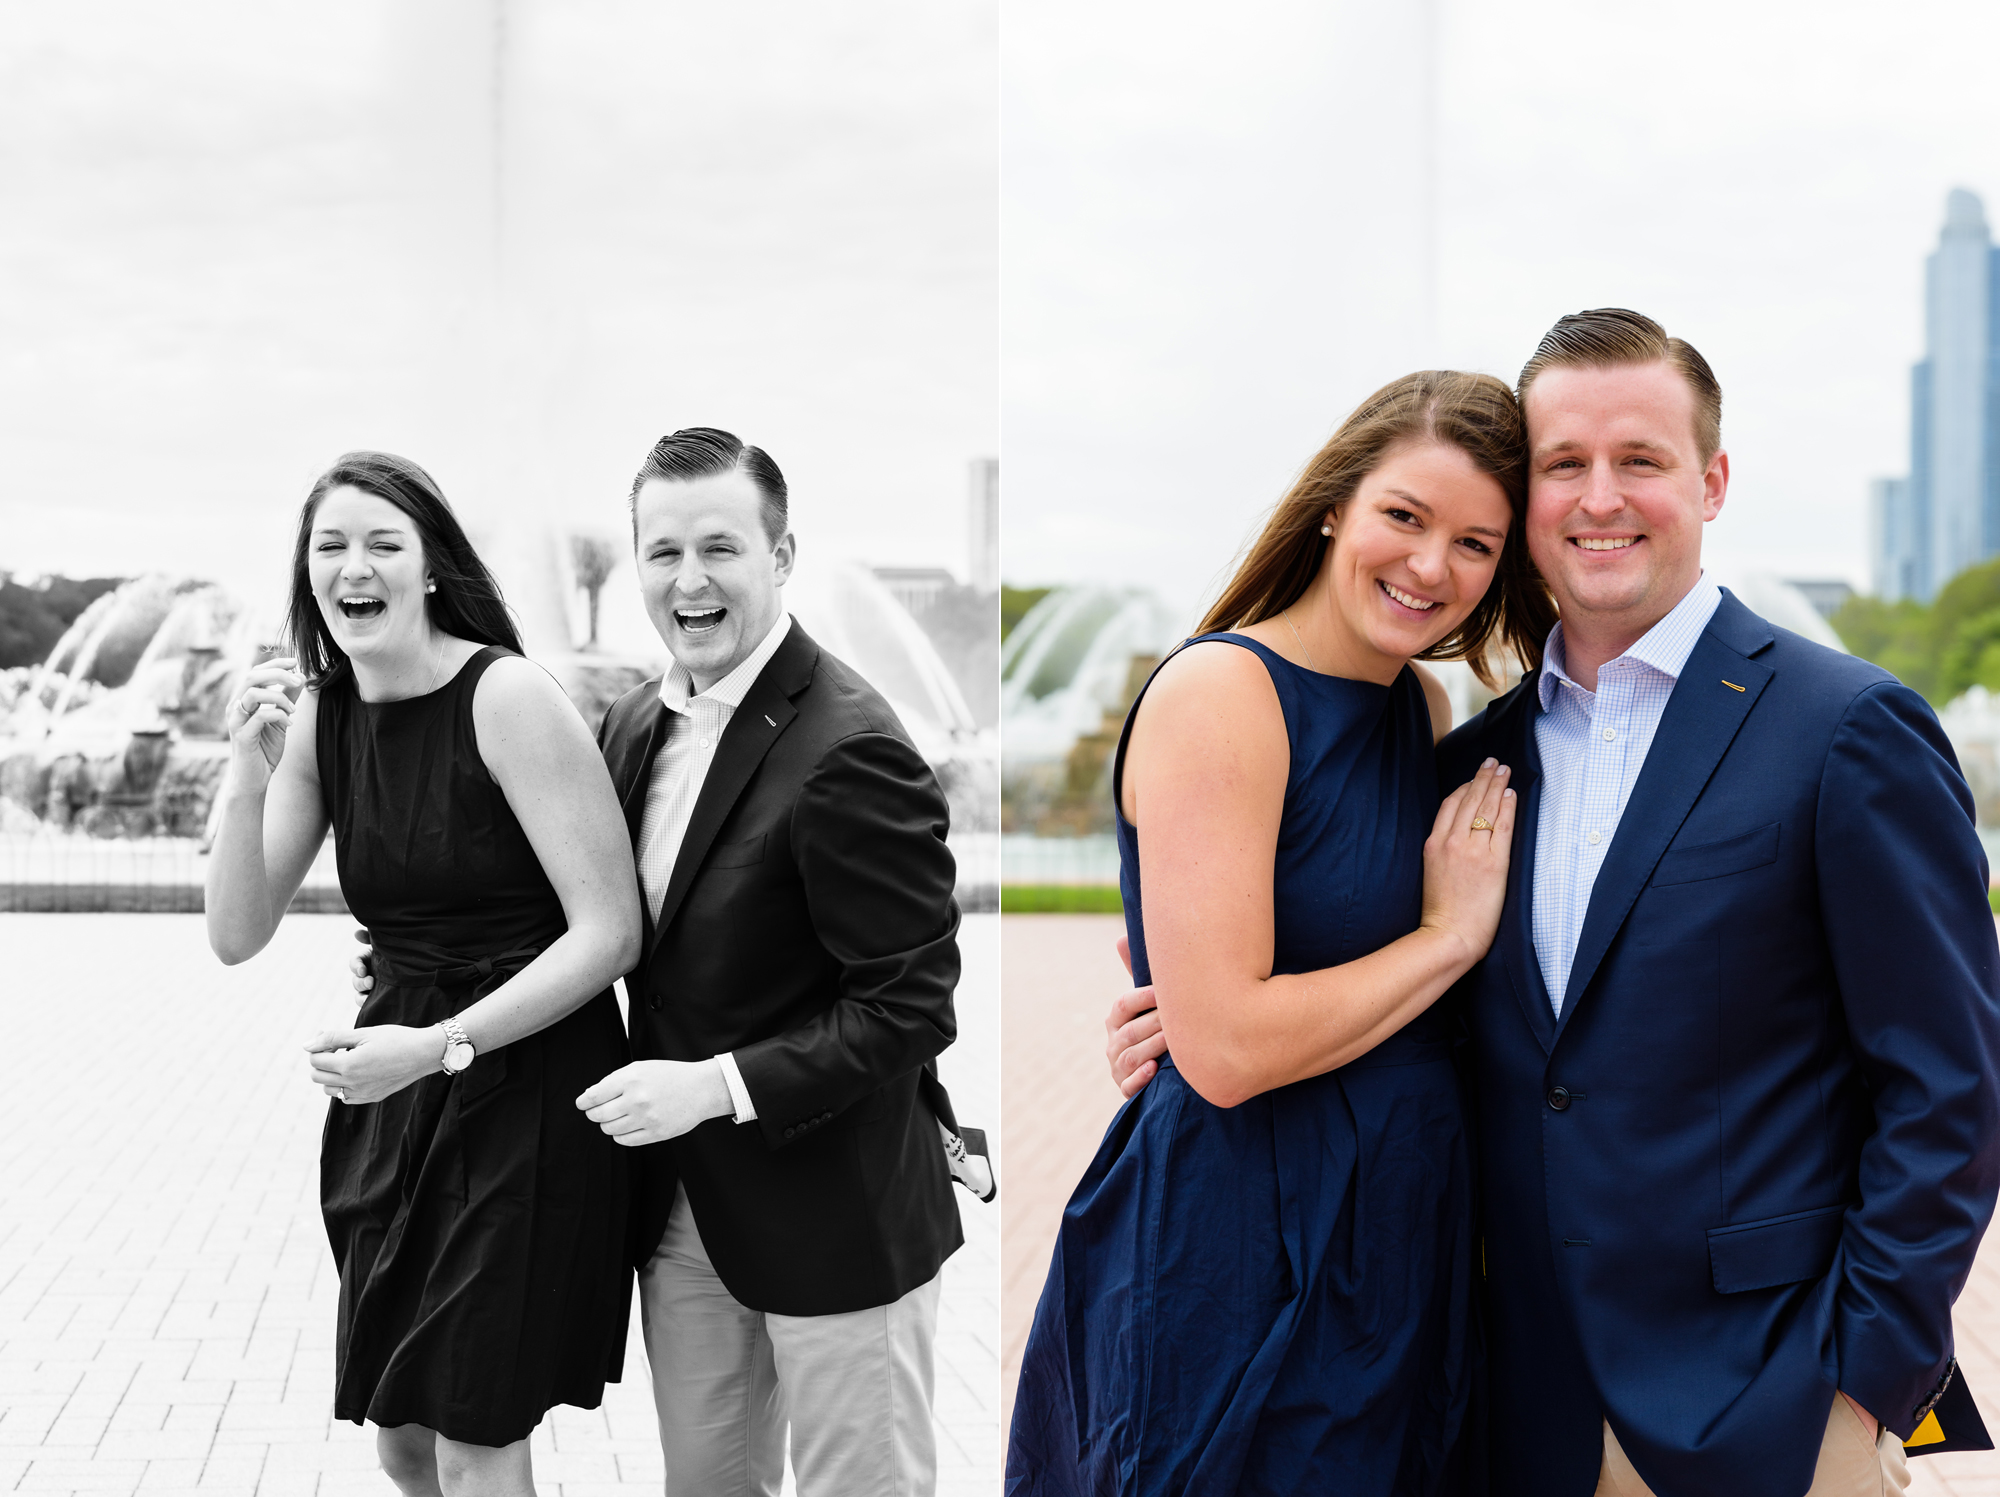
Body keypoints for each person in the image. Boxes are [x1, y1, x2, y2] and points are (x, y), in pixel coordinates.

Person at [1107, 310, 2000, 1496]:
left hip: (1769, 1404)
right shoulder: (1466, 761)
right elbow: (1376, 998)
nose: (1599, 498)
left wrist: (1863, 1381)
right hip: (1502, 1399)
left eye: (1639, 460)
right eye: (1563, 466)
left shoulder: (1843, 729)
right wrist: (1177, 1026)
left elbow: (1949, 1081)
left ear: (1711, 480)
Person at [1009, 371, 1557, 1495]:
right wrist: (1445, 939)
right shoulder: (1224, 692)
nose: (1427, 567)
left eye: (1472, 543)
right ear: (1332, 507)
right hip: (1240, 1230)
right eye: (1402, 517)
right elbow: (1222, 1053)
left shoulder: (1423, 710)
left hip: (1401, 1222)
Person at [206, 452, 642, 1497]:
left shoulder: (507, 698)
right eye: (331, 546)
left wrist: (441, 1048)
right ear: (308, 575)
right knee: (403, 1442)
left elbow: (608, 932)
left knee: (472, 1437)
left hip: (526, 1092)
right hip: (393, 1106)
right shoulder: (324, 715)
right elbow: (235, 930)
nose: (354, 566)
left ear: (432, 567)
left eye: (382, 543)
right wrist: (244, 762)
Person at [570, 428, 970, 1496]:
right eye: (662, 553)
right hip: (684, 1211)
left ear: (781, 558)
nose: (688, 581)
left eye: (720, 548)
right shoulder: (625, 729)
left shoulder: (852, 746)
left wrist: (710, 1088)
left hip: (839, 1214)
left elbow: (909, 1007)